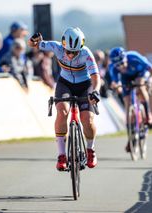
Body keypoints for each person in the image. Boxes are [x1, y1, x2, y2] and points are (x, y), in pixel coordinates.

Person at [28, 27, 101, 170]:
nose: (71, 55)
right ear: (63, 46)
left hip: (84, 86)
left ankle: (90, 150)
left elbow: (95, 77)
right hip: (65, 84)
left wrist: (96, 91)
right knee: (62, 112)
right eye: (68, 51)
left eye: (75, 52)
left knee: (88, 119)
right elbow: (32, 45)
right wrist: (32, 40)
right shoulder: (56, 47)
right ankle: (61, 155)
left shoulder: (86, 53)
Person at [108, 47, 152, 151]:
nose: (121, 67)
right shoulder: (112, 68)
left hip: (140, 73)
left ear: (126, 58)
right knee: (128, 105)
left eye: (122, 63)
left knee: (140, 84)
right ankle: (131, 139)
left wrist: (149, 81)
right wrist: (116, 86)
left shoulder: (134, 57)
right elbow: (115, 83)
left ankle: (147, 112)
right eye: (118, 65)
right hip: (126, 79)